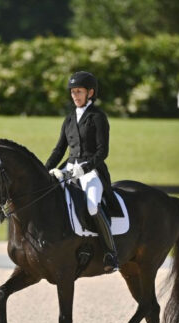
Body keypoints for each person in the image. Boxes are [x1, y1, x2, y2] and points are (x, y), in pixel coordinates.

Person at [45, 71, 118, 272]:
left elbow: (103, 151)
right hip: (68, 168)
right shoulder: (69, 119)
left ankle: (110, 253)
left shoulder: (98, 117)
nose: (75, 95)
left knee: (93, 206)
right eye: (73, 92)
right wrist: (46, 170)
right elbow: (59, 149)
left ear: (90, 93)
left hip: (90, 170)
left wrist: (84, 168)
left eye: (79, 91)